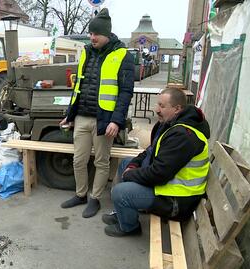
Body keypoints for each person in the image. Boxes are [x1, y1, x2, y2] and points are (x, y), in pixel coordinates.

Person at [102, 88, 210, 237]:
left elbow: (159, 174)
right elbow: (150, 152)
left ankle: (129, 227)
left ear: (177, 109)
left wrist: (131, 175)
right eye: (157, 104)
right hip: (167, 187)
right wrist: (132, 167)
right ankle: (124, 212)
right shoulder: (171, 124)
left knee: (120, 193)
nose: (156, 110)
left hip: (177, 200)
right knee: (125, 163)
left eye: (162, 106)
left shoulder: (183, 136)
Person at [60, 8, 134, 218]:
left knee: (101, 162)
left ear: (107, 34)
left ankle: (95, 199)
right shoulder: (86, 52)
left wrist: (117, 121)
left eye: (96, 34)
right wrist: (70, 114)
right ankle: (80, 194)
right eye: (90, 33)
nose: (92, 37)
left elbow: (126, 92)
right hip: (82, 116)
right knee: (78, 160)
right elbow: (79, 87)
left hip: (105, 119)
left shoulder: (122, 55)